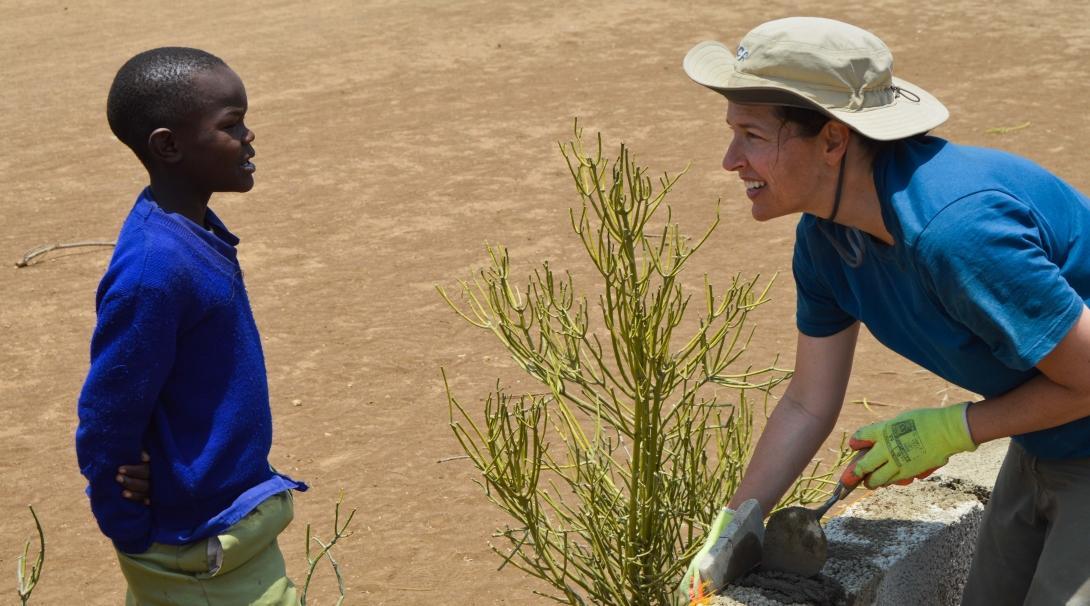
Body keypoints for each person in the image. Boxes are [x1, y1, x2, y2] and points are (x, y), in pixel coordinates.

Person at [676, 16, 1090, 606]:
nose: (730, 160)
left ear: (833, 140)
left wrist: (952, 429)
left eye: (752, 135)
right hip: (1047, 440)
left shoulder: (957, 232)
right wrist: (736, 524)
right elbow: (807, 400)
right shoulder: (826, 241)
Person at [76, 47, 307, 604]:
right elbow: (108, 415)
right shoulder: (154, 271)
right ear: (168, 145)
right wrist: (131, 526)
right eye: (232, 125)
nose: (250, 137)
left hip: (222, 524)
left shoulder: (193, 231)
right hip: (194, 550)